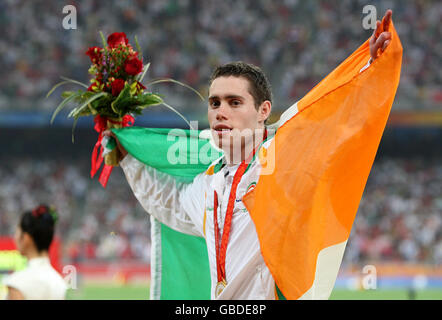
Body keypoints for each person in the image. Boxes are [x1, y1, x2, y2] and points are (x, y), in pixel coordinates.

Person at [106, 10, 394, 299]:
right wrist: (127, 156)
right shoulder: (209, 184)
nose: (221, 112)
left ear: (263, 111)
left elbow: (332, 124)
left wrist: (368, 68)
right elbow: (167, 202)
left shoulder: (282, 165)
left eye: (234, 102)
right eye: (215, 103)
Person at [2, 205, 67, 300]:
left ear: (26, 238)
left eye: (17, 232)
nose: (14, 238)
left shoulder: (18, 282)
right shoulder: (59, 282)